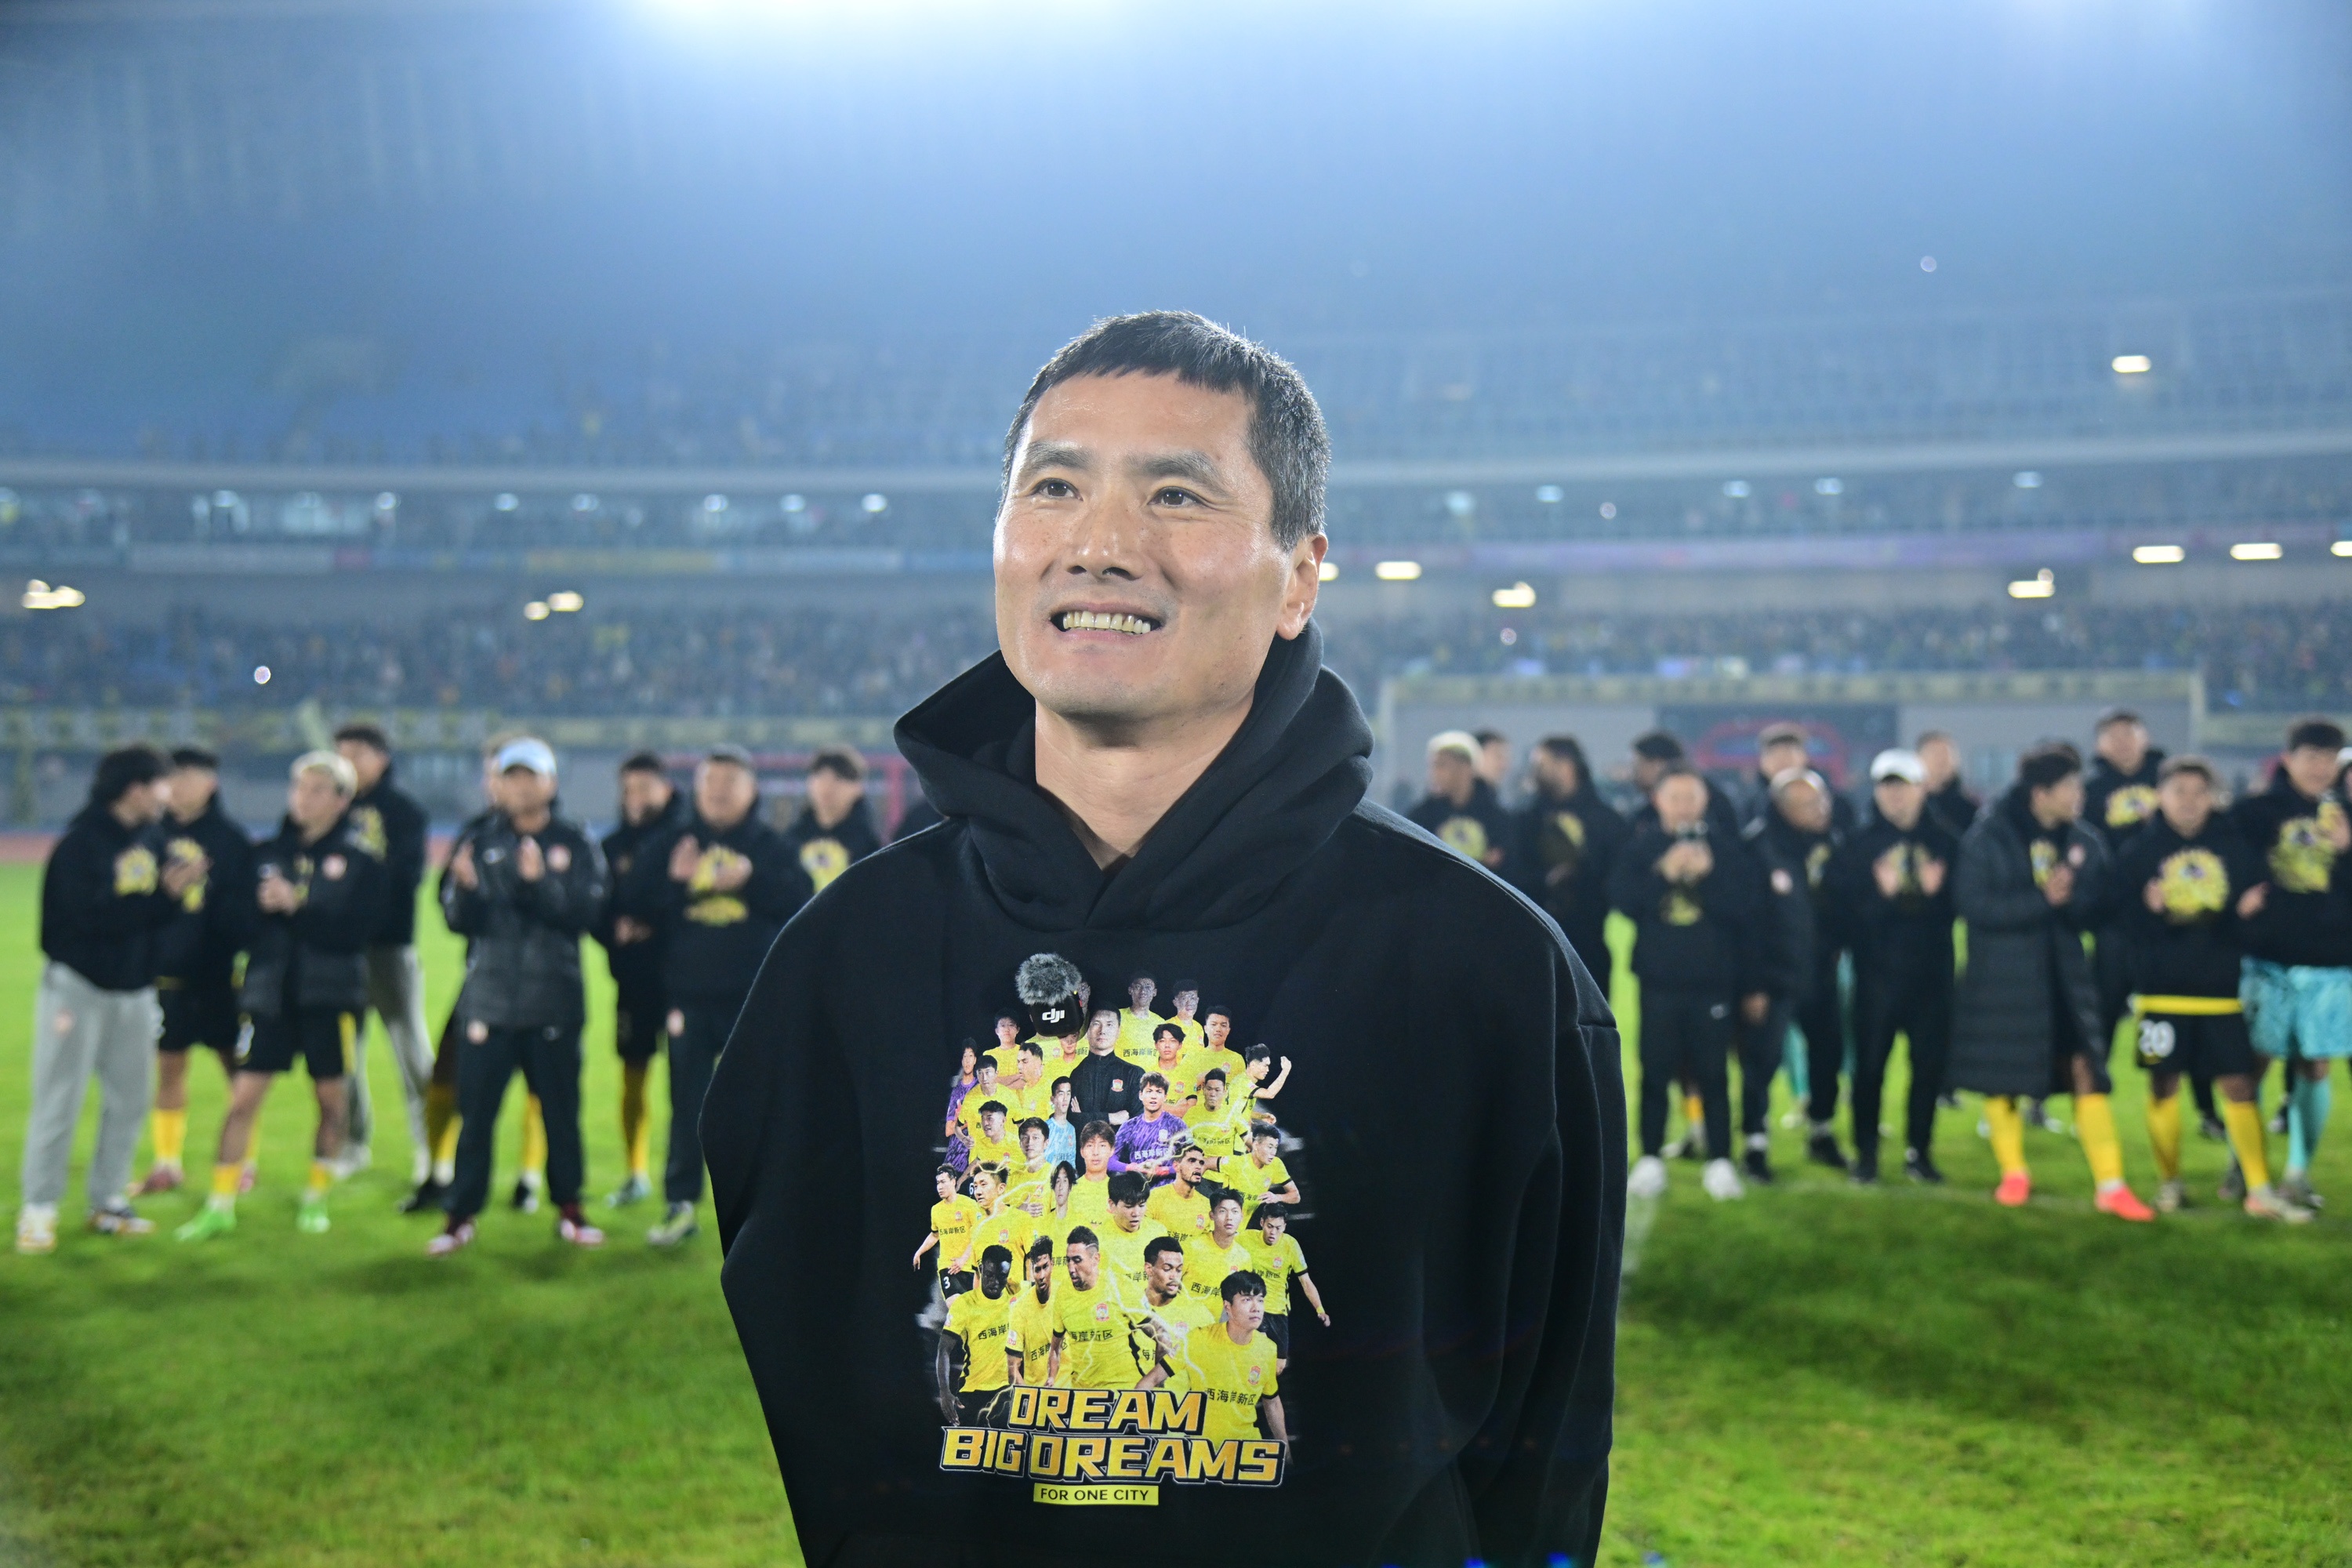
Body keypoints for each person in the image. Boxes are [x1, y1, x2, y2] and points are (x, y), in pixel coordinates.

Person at [705, 311, 1619, 1564]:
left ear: (1299, 578)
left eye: (1176, 494)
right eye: (1055, 488)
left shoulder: (1489, 970)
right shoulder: (841, 960)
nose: (1099, 543)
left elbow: (1544, 1452)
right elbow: (817, 1399)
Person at [176, 751, 387, 1240]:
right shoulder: (266, 854)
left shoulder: (362, 861)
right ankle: (219, 1205)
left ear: (342, 800)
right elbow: (236, 925)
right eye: (299, 788)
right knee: (241, 1100)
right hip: (268, 994)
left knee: (331, 1102)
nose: (303, 799)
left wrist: (299, 908)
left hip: (330, 997)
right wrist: (255, 908)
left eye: (317, 790)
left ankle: (316, 1199)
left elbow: (358, 932)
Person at [1947, 742, 2154, 1220]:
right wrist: (2043, 901)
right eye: (2070, 787)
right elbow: (1974, 906)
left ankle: (2111, 1185)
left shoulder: (2083, 840)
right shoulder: (1989, 837)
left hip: (2064, 977)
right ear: (2041, 793)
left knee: (2087, 1072)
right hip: (2004, 977)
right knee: (2004, 1079)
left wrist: (2078, 900)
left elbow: (2096, 909)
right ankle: (2014, 1175)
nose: (2080, 795)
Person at [426, 737, 611, 1256]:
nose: (521, 786)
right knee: (475, 1117)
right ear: (499, 784)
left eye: (531, 776)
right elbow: (457, 921)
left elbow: (586, 914)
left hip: (554, 1001)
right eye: (512, 777)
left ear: (551, 783)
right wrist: (465, 890)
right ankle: (459, 1216)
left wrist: (538, 883)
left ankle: (570, 1209)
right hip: (488, 1001)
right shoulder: (477, 839)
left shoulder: (576, 842)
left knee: (561, 1115)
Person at [16, 746, 198, 1253]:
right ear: (135, 788)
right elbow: (87, 922)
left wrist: (172, 899)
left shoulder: (154, 839)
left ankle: (108, 1201)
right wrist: (162, 900)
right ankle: (39, 1208)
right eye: (161, 784)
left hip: (135, 991)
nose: (167, 795)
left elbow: (153, 915)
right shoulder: (81, 846)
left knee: (130, 1100)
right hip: (79, 989)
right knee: (60, 1099)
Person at [635, 744, 812, 1247]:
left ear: (751, 791)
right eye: (709, 782)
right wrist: (677, 882)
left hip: (752, 1003)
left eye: (729, 783)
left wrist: (752, 881)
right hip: (688, 998)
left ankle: (763, 1209)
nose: (717, 792)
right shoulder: (673, 843)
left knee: (757, 1107)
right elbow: (634, 905)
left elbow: (803, 902)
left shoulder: (771, 847)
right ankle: (680, 1205)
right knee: (687, 1107)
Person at [2118, 757, 2308, 1221]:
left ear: (2212, 798)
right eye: (2178, 791)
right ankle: (2169, 1184)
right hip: (2161, 992)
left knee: (2239, 1086)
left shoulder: (2236, 849)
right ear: (2160, 796)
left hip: (2219, 991)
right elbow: (2122, 925)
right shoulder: (2138, 852)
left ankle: (2259, 1191)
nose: (2189, 801)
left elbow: (2257, 925)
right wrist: (2150, 911)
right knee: (2163, 1086)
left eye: (2198, 792)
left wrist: (2241, 917)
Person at [1614, 765, 1767, 1201]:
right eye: (1675, 797)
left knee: (1714, 1073)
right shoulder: (1643, 847)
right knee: (1654, 1071)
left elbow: (1745, 909)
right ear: (1658, 801)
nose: (1684, 806)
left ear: (1704, 801)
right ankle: (1649, 1159)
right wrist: (1662, 874)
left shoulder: (1726, 848)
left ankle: (1720, 1160)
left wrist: (1710, 876)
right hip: (1658, 981)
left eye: (1692, 797)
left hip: (1712, 982)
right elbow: (1622, 900)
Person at [2231, 717, 2352, 1210]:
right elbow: (2233, 868)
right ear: (2289, 759)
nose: (2320, 767)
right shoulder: (2256, 811)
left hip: (2331, 961)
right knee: (2253, 1063)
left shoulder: (2346, 815)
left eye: (2329, 759)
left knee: (2315, 1064)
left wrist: (2347, 850)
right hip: (2268, 959)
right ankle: (2244, 1164)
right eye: (2310, 757)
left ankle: (2298, 1172)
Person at [1829, 750, 1960, 1184]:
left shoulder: (1947, 841)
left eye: (1903, 786)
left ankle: (1919, 1152)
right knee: (1869, 1070)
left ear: (1922, 789)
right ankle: (1866, 1155)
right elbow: (1842, 916)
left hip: (1932, 977)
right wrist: (1883, 898)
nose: (1895, 795)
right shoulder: (1857, 844)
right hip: (1876, 978)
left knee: (1929, 1069)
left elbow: (1964, 906)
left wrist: (1935, 896)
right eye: (1887, 786)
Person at [135, 746, 253, 1196]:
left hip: (218, 974)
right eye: (173, 777)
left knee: (237, 1071)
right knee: (168, 1066)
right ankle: (167, 1164)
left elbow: (244, 910)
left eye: (189, 777)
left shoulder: (231, 840)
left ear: (211, 783)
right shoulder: (149, 836)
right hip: (165, 973)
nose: (179, 786)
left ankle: (243, 1162)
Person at [332, 722, 437, 1187]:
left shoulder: (404, 812)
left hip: (389, 948)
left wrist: (349, 887)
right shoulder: (330, 806)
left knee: (411, 1052)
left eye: (358, 753)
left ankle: (432, 1147)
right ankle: (352, 1144)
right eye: (342, 753)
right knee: (344, 1056)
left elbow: (406, 877)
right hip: (339, 951)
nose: (348, 762)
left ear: (382, 759)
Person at [2082, 710, 2188, 1126]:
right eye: (2114, 736)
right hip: (2113, 922)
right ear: (2100, 745)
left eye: (2130, 734)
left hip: (2165, 922)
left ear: (2145, 738)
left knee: (2171, 1010)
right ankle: (2092, 1093)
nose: (2124, 742)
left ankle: (2191, 1104)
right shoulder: (2090, 793)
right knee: (2102, 1011)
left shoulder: (2171, 784)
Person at [595, 751, 690, 1206]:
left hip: (682, 981)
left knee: (685, 1080)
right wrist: (612, 930)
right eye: (629, 789)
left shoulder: (687, 838)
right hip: (632, 979)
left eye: (645, 788)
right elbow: (595, 907)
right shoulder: (612, 846)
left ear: (666, 789)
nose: (636, 797)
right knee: (633, 1070)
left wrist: (651, 923)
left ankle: (685, 1179)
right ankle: (636, 1172)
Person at [1745, 767, 1849, 1171]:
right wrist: (1753, 983)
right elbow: (1748, 924)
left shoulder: (1832, 843)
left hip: (1820, 971)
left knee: (1828, 1055)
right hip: (1773, 976)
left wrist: (1837, 945)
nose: (1820, 810)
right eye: (1808, 804)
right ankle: (1755, 1142)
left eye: (1822, 801)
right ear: (1783, 807)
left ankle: (1821, 1131)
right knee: (1763, 1061)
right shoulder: (1758, 848)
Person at [1516, 734, 1629, 1000]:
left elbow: (1618, 879)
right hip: (1536, 945)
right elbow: (1514, 873)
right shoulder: (1525, 820)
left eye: (1541, 764)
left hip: (1590, 944)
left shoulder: (1606, 820)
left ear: (1566, 765)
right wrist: (1544, 881)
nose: (1534, 773)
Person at [1174, 1272, 1285, 1443]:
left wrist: (1286, 1449)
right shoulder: (1199, 1338)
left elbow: (1272, 1402)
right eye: (1247, 1300)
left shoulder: (1269, 1348)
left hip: (1247, 1445)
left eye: (1260, 1300)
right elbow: (1154, 1379)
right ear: (1228, 1307)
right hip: (1202, 1447)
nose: (1256, 1308)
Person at [780, 745, 883, 895]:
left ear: (858, 787)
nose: (827, 786)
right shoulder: (791, 840)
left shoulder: (870, 847)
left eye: (838, 778)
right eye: (820, 777)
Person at [1407, 730, 1512, 872]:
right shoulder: (1420, 819)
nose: (1434, 773)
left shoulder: (1499, 820)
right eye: (1433, 766)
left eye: (1442, 765)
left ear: (1465, 767)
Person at [937, 1244, 1016, 1425]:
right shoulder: (965, 1305)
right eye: (989, 1275)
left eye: (1001, 1276)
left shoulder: (1016, 1299)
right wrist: (945, 1392)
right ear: (981, 1270)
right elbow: (944, 1349)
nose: (995, 1282)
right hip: (973, 1391)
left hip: (1007, 1390)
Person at [1240, 1202, 1327, 1367]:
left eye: (1278, 1228)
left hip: (1278, 1310)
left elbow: (1306, 1281)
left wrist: (1320, 1309)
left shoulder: (1291, 1245)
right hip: (1253, 1307)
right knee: (1261, 1355)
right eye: (1270, 1226)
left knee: (1279, 1366)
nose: (1273, 1232)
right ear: (1262, 1223)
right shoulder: (1245, 1238)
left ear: (1285, 1227)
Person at [1745, 722, 1857, 835]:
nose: (1782, 760)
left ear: (1805, 756)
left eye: (1788, 752)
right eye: (1774, 753)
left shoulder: (1837, 806)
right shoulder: (1753, 810)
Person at [1003, 1236, 1061, 1386]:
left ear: (1052, 1264)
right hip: (1036, 1391)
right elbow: (1012, 1367)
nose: (1041, 1276)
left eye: (1045, 1267)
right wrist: (1029, 1394)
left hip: (1069, 1389)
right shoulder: (1020, 1309)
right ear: (1031, 1271)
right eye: (1037, 1270)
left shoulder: (1065, 1295)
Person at [1915, 730, 1979, 841]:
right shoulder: (1911, 805)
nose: (1941, 760)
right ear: (1918, 759)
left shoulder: (1970, 808)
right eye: (1934, 754)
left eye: (1947, 754)